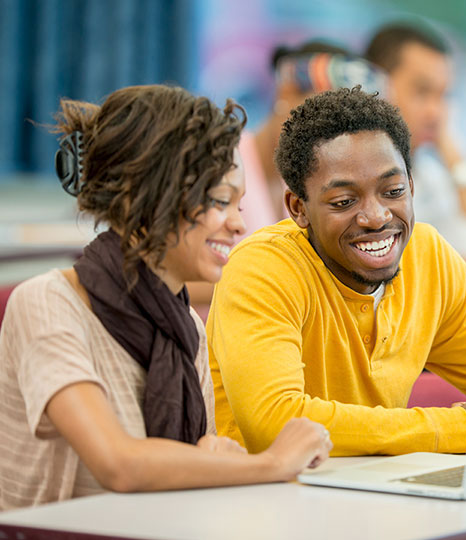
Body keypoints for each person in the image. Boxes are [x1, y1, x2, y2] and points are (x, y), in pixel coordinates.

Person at [0, 85, 332, 510]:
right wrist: (271, 463)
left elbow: (197, 463)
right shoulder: (48, 304)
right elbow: (119, 464)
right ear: (151, 195)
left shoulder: (185, 322)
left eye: (239, 205)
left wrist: (216, 461)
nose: (237, 225)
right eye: (218, 201)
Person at [206, 87, 466, 456]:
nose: (376, 217)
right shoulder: (262, 268)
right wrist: (452, 427)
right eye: (344, 201)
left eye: (393, 191)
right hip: (269, 500)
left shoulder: (428, 255)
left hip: (380, 493)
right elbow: (277, 425)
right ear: (297, 207)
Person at [185, 41, 388, 316]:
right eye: (329, 117)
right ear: (288, 92)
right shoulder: (213, 160)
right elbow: (162, 275)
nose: (337, 136)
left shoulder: (310, 182)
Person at [364, 22, 466, 288]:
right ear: (375, 86)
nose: (435, 112)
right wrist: (461, 270)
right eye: (422, 92)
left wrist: (451, 151)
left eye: (444, 96)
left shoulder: (428, 172)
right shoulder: (352, 173)